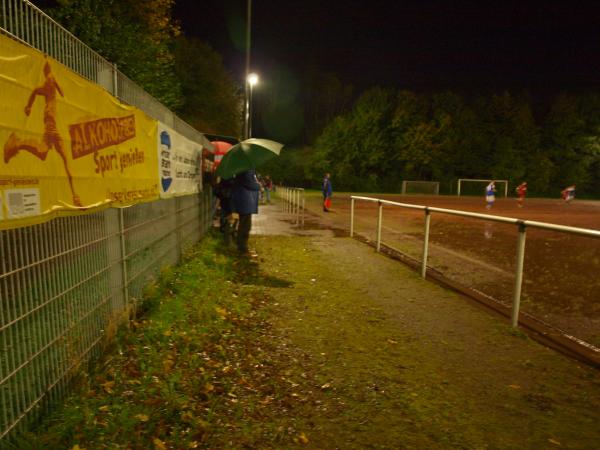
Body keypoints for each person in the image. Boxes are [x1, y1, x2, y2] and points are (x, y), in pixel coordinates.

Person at [3, 61, 81, 206]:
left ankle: (75, 197)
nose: (52, 78)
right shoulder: (47, 85)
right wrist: (28, 106)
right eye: (50, 75)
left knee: (51, 156)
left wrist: (60, 92)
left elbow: (53, 86)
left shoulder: (50, 81)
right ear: (47, 74)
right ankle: (16, 144)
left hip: (53, 125)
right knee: (47, 154)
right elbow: (35, 91)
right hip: (50, 124)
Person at [232, 168, 261, 255]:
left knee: (244, 223)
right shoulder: (246, 169)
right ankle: (242, 247)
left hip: (244, 199)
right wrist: (258, 185)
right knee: (245, 224)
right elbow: (249, 183)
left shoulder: (243, 168)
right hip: (245, 200)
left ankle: (242, 245)